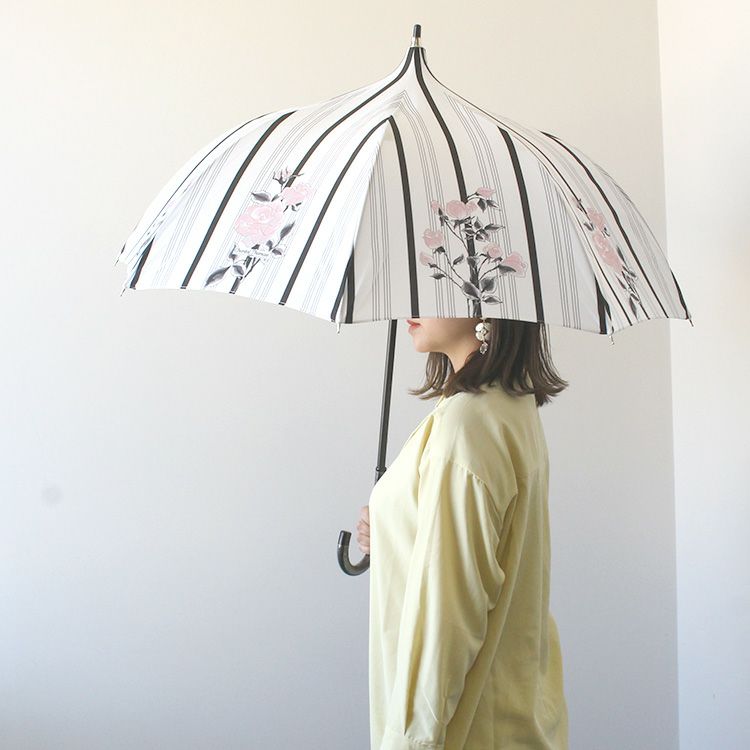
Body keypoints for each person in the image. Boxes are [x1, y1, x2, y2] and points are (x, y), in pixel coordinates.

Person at [358, 316, 570, 750]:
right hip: (513, 713)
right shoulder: (508, 407)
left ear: (484, 303)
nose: (413, 305)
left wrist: (408, 743)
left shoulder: (465, 426)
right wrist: (394, 527)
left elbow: (447, 621)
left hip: (467, 730)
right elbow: (486, 559)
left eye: (437, 285)